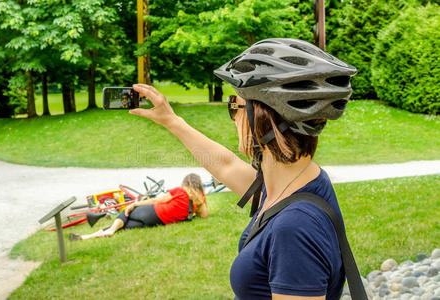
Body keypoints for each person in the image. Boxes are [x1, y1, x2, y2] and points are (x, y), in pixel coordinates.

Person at [129, 38, 357, 300]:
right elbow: (225, 165)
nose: (233, 117)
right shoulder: (297, 184)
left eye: (234, 107)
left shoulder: (295, 228)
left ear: (262, 118)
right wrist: (171, 121)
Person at [70, 173, 208, 240]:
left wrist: (135, 204)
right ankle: (85, 237)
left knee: (126, 212)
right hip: (158, 222)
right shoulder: (199, 200)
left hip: (154, 212)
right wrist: (202, 200)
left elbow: (156, 200)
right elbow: (204, 215)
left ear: (185, 182)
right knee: (124, 226)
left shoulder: (180, 191)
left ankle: (111, 229)